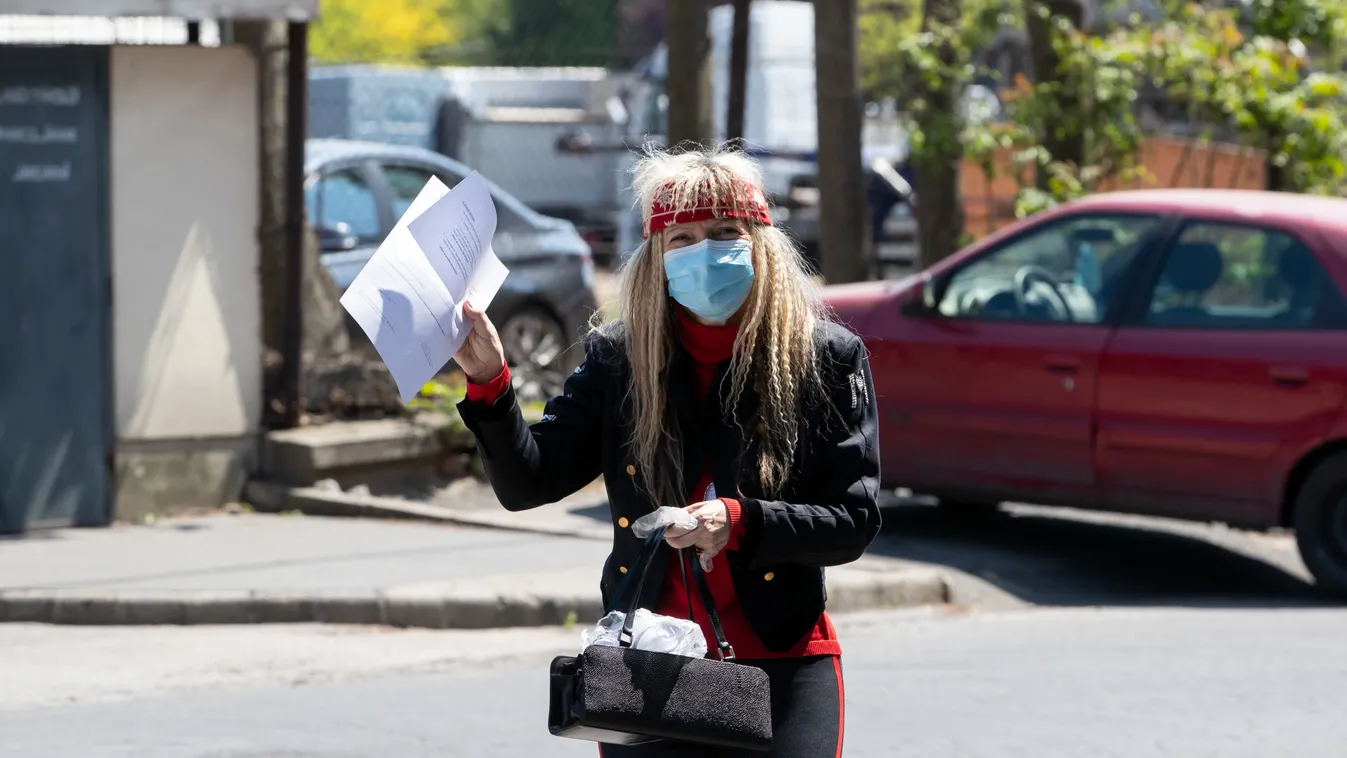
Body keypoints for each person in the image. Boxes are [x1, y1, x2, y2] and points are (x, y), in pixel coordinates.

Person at [453, 145, 882, 757]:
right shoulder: (618, 359)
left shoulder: (825, 358)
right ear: (656, 255)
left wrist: (739, 521)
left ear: (761, 242)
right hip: (649, 666)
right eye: (681, 237)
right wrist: (492, 384)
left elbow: (853, 522)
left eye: (724, 232)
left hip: (781, 660)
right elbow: (529, 483)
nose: (704, 251)